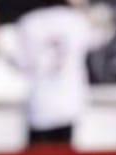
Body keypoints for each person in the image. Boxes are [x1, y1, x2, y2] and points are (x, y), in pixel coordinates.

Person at [15, 0, 91, 146]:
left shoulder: (29, 22)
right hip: (70, 104)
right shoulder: (78, 21)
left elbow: (21, 63)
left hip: (40, 104)